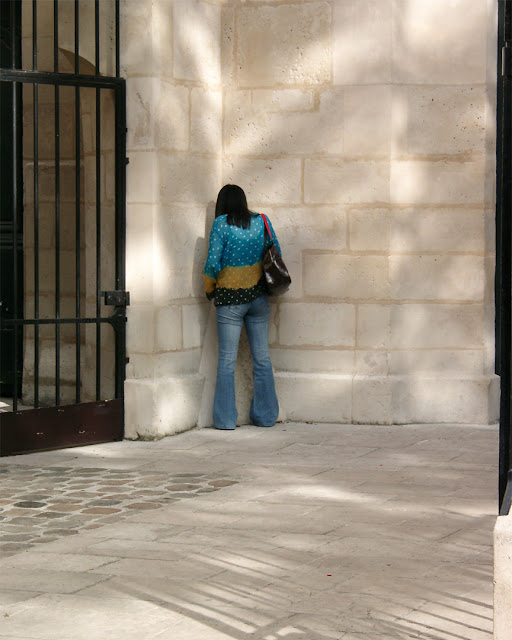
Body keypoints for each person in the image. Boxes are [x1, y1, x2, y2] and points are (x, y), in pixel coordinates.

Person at [204, 184, 281, 430]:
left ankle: (226, 420)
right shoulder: (262, 221)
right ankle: (266, 416)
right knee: (262, 358)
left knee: (227, 361)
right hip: (259, 297)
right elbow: (276, 252)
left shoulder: (221, 224)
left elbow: (212, 263)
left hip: (230, 301)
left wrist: (209, 289)